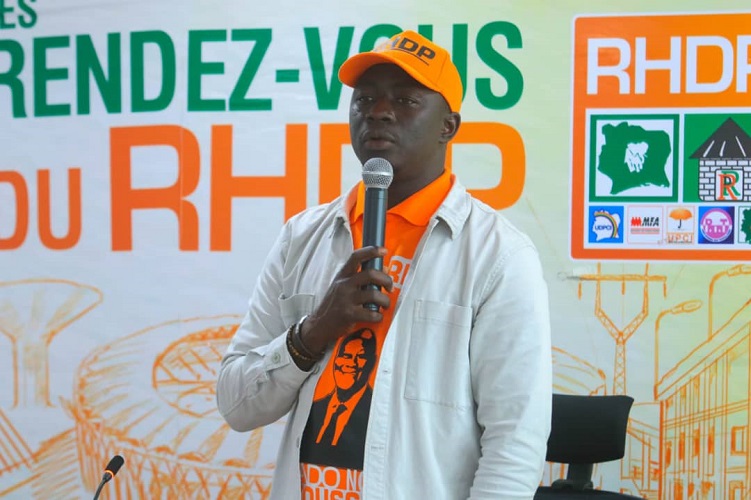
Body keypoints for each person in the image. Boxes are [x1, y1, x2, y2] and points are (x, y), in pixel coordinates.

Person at [217, 29, 552, 499]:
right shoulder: (302, 237)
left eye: (406, 100)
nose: (378, 111)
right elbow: (236, 405)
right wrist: (312, 332)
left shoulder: (498, 254)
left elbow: (515, 440)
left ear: (448, 126)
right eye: (365, 99)